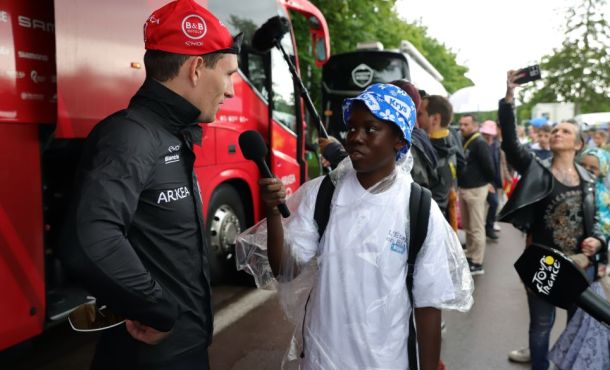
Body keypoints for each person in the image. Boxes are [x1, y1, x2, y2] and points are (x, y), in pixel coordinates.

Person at [59, 1, 241, 369]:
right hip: (149, 357)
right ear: (195, 68)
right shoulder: (131, 136)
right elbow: (89, 239)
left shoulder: (169, 133)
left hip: (182, 349)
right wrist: (157, 309)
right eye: (229, 74)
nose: (232, 91)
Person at [257, 83, 473, 369]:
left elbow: (428, 305)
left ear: (399, 139)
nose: (355, 137)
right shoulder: (324, 194)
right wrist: (273, 214)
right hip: (324, 359)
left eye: (370, 129)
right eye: (352, 128)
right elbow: (286, 269)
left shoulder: (418, 209)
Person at [499, 70, 606, 370]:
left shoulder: (587, 179)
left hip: (579, 268)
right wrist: (510, 97)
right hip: (544, 264)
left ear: (578, 144)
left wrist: (597, 240)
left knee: (576, 326)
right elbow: (510, 143)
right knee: (541, 325)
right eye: (555, 130)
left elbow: (597, 220)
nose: (557, 133)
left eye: (565, 131)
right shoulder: (536, 169)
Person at [458, 114, 495, 275]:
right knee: (468, 226)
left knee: (476, 227)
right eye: (460, 124)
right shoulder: (465, 140)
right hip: (465, 188)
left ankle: (478, 262)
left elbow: (489, 166)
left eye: (466, 124)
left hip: (476, 189)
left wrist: (487, 183)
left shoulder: (480, 142)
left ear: (474, 126)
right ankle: (471, 255)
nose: (462, 127)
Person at [418, 94, 464, 222]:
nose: (416, 119)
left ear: (435, 119)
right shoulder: (451, 140)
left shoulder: (426, 149)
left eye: (420, 114)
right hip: (444, 214)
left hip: (431, 218)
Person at [479, 120, 502, 241]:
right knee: (493, 203)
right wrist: (487, 183)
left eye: (490, 134)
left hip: (493, 180)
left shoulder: (496, 145)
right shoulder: (479, 145)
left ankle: (489, 227)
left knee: (494, 204)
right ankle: (487, 228)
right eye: (485, 134)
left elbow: (498, 163)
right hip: (482, 181)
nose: (488, 137)